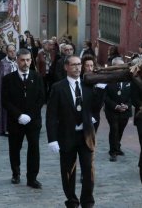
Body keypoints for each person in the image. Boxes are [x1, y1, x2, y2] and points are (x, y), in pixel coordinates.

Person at [46, 55, 105, 208]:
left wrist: (100, 91)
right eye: (73, 65)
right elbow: (51, 115)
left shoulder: (88, 85)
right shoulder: (58, 87)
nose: (78, 68)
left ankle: (87, 202)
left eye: (79, 64)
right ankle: (71, 201)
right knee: (68, 172)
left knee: (88, 171)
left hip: (86, 135)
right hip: (67, 135)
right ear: (66, 67)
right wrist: (52, 139)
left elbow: (95, 108)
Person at [2, 48, 44, 189]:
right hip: (15, 121)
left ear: (31, 61)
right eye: (22, 60)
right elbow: (5, 100)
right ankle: (16, 173)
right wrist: (19, 115)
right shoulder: (8, 79)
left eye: (28, 60)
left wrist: (30, 115)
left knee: (34, 148)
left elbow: (41, 98)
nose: (25, 63)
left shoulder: (37, 77)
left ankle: (32, 178)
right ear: (17, 60)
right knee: (14, 148)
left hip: (33, 121)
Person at [104, 57, 132, 162]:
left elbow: (132, 95)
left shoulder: (128, 78)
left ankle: (117, 147)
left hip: (125, 110)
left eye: (122, 66)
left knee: (120, 130)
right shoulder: (107, 78)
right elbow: (105, 97)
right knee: (114, 129)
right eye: (118, 67)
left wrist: (127, 106)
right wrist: (116, 106)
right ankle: (113, 152)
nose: (121, 69)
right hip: (112, 110)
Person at [0, 44, 18, 136]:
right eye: (10, 51)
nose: (13, 53)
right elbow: (1, 79)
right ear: (7, 52)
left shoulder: (19, 60)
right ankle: (6, 128)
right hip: (8, 90)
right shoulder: (3, 62)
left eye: (14, 50)